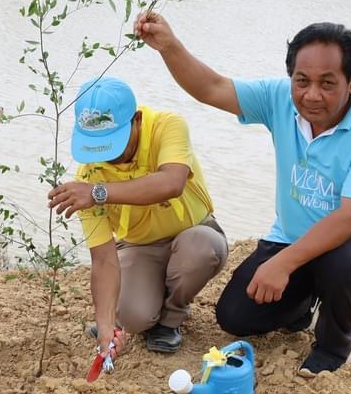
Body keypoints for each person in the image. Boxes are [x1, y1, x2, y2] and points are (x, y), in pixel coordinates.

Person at [134, 14, 351, 376]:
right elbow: (212, 88)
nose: (311, 95)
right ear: (291, 76)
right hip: (291, 237)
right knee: (235, 316)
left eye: (328, 83)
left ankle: (337, 344)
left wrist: (284, 263)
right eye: (302, 81)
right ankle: (309, 305)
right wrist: (169, 46)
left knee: (343, 263)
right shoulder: (280, 99)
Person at [48, 76, 228, 354]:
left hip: (193, 232)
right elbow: (104, 259)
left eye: (114, 143)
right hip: (139, 247)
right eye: (99, 145)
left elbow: (172, 183)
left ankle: (171, 318)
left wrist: (99, 192)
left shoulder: (168, 126)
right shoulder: (88, 176)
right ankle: (146, 302)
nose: (109, 156)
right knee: (133, 317)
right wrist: (105, 325)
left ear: (137, 120)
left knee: (199, 250)